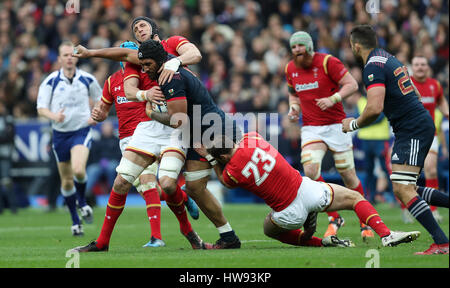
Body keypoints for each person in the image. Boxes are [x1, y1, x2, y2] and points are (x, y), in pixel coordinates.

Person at [72, 37, 205, 252]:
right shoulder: (119, 78)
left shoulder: (166, 67)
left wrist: (178, 62)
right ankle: (102, 242)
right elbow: (127, 93)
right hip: (140, 134)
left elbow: (195, 56)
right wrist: (99, 113)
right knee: (121, 183)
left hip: (169, 128)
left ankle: (183, 232)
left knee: (162, 184)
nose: (130, 61)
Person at [194, 131, 421, 249]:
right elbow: (244, 142)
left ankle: (320, 242)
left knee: (269, 230)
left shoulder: (232, 171)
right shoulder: (252, 138)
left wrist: (210, 159)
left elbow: (224, 180)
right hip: (305, 188)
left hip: (288, 213)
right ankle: (386, 234)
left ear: (223, 157)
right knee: (354, 197)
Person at [343, 24, 449, 255]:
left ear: (356, 46)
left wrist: (352, 124)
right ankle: (442, 241)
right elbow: (416, 94)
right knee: (407, 187)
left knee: (403, 189)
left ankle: (442, 243)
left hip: (411, 127)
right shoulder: (388, 58)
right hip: (413, 125)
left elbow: (374, 107)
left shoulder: (372, 65)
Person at [137, 39, 242, 249]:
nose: (144, 69)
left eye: (147, 64)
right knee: (194, 187)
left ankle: (294, 201)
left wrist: (151, 113)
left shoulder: (169, 77)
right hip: (199, 135)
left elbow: (178, 119)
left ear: (159, 61)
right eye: (142, 64)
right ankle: (228, 237)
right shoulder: (167, 69)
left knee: (237, 179)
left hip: (217, 132)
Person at [285, 31, 373, 240]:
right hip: (311, 127)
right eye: (293, 47)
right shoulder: (290, 68)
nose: (296, 50)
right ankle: (334, 217)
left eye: (300, 46)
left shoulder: (327, 62)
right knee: (311, 170)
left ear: (309, 46)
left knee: (349, 176)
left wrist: (333, 98)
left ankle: (365, 221)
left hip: (336, 126)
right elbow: (293, 94)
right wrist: (293, 108)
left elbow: (352, 84)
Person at [37, 41, 102, 236]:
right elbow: (41, 108)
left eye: (72, 55)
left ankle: (82, 203)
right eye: (65, 55)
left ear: (77, 57)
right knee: (66, 181)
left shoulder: (88, 79)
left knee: (78, 170)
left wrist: (95, 115)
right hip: (60, 134)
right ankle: (75, 222)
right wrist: (54, 116)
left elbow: (101, 100)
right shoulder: (51, 81)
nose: (69, 58)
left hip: (81, 130)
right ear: (59, 58)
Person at [410, 55, 449, 223]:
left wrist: (446, 112)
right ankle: (409, 206)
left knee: (431, 169)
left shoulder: (435, 85)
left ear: (427, 66)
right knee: (409, 176)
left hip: (429, 134)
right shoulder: (407, 84)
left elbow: (440, 100)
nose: (420, 67)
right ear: (412, 66)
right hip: (410, 134)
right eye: (417, 64)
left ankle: (433, 210)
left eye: (423, 64)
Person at [355, 92, 394, 204]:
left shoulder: (382, 99)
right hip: (366, 139)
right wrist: (366, 119)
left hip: (380, 139)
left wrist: (365, 120)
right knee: (368, 170)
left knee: (386, 169)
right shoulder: (361, 101)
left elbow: (379, 116)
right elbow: (360, 117)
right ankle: (370, 197)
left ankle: (394, 197)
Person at [85, 120, 121, 198]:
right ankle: (85, 193)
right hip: (99, 163)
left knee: (111, 167)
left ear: (112, 129)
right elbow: (93, 155)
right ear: (102, 129)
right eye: (105, 127)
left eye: (109, 127)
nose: (107, 129)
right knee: (92, 169)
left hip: (113, 162)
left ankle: (114, 191)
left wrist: (109, 160)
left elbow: (119, 155)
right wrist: (99, 162)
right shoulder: (97, 141)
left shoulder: (117, 141)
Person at [0, 102, 17, 214]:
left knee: (7, 181)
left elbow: (9, 135)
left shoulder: (8, 119)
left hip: (5, 154)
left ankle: (13, 207)